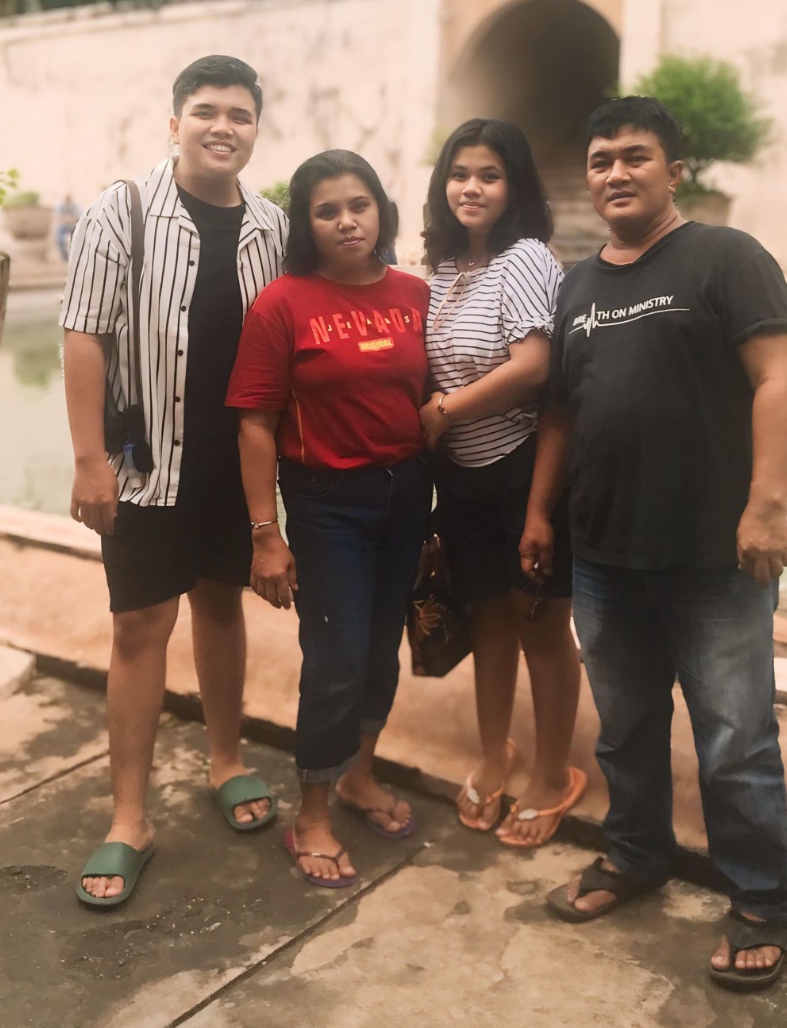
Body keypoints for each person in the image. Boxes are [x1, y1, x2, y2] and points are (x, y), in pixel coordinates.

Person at [524, 95, 787, 992]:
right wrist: (539, 513)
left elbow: (777, 376)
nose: (615, 173)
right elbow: (562, 415)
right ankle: (638, 855)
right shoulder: (576, 286)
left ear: (674, 172)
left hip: (715, 557)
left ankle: (760, 902)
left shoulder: (728, 258)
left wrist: (767, 506)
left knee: (736, 742)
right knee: (626, 729)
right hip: (605, 554)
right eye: (601, 160)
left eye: (635, 157)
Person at [61, 54, 288, 909]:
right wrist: (89, 461)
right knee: (138, 626)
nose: (222, 126)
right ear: (175, 124)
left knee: (222, 607)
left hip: (235, 470)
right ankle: (129, 817)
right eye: (206, 111)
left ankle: (225, 760)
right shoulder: (121, 212)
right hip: (147, 463)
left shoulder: (272, 227)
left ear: (255, 129)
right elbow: (84, 334)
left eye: (239, 114)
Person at [228, 150, 430, 887]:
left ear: (381, 210)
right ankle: (311, 812)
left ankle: (360, 777)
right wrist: (266, 534)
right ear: (306, 225)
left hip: (407, 494)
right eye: (327, 211)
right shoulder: (282, 304)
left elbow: (431, 397)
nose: (347, 222)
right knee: (336, 658)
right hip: (327, 504)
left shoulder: (414, 293)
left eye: (359, 205)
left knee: (380, 650)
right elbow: (256, 424)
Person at [419, 119, 584, 847]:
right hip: (461, 476)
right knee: (488, 617)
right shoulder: (445, 268)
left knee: (541, 624)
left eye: (489, 175)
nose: (472, 188)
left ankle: (552, 773)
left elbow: (535, 366)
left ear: (515, 185)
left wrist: (444, 412)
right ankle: (496, 754)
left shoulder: (525, 258)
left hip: (521, 466)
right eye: (460, 174)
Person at [55, 193, 81, 263]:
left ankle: (76, 257)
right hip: (63, 226)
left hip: (73, 226)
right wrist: (70, 219)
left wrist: (67, 219)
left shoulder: (75, 206)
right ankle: (65, 258)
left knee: (77, 240)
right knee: (59, 239)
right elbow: (59, 218)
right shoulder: (61, 206)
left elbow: (78, 218)